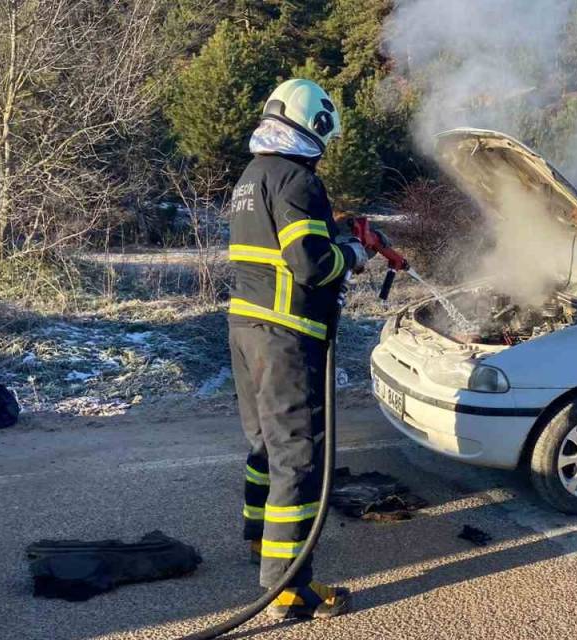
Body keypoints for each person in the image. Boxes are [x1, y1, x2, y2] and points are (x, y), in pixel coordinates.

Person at [226, 78, 372, 619]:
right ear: (317, 124)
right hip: (287, 337)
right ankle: (287, 588)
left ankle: (257, 538)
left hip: (246, 329)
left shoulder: (253, 175)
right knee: (299, 458)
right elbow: (313, 266)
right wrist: (353, 252)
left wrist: (333, 231)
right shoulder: (297, 178)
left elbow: (284, 242)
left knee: (264, 444)